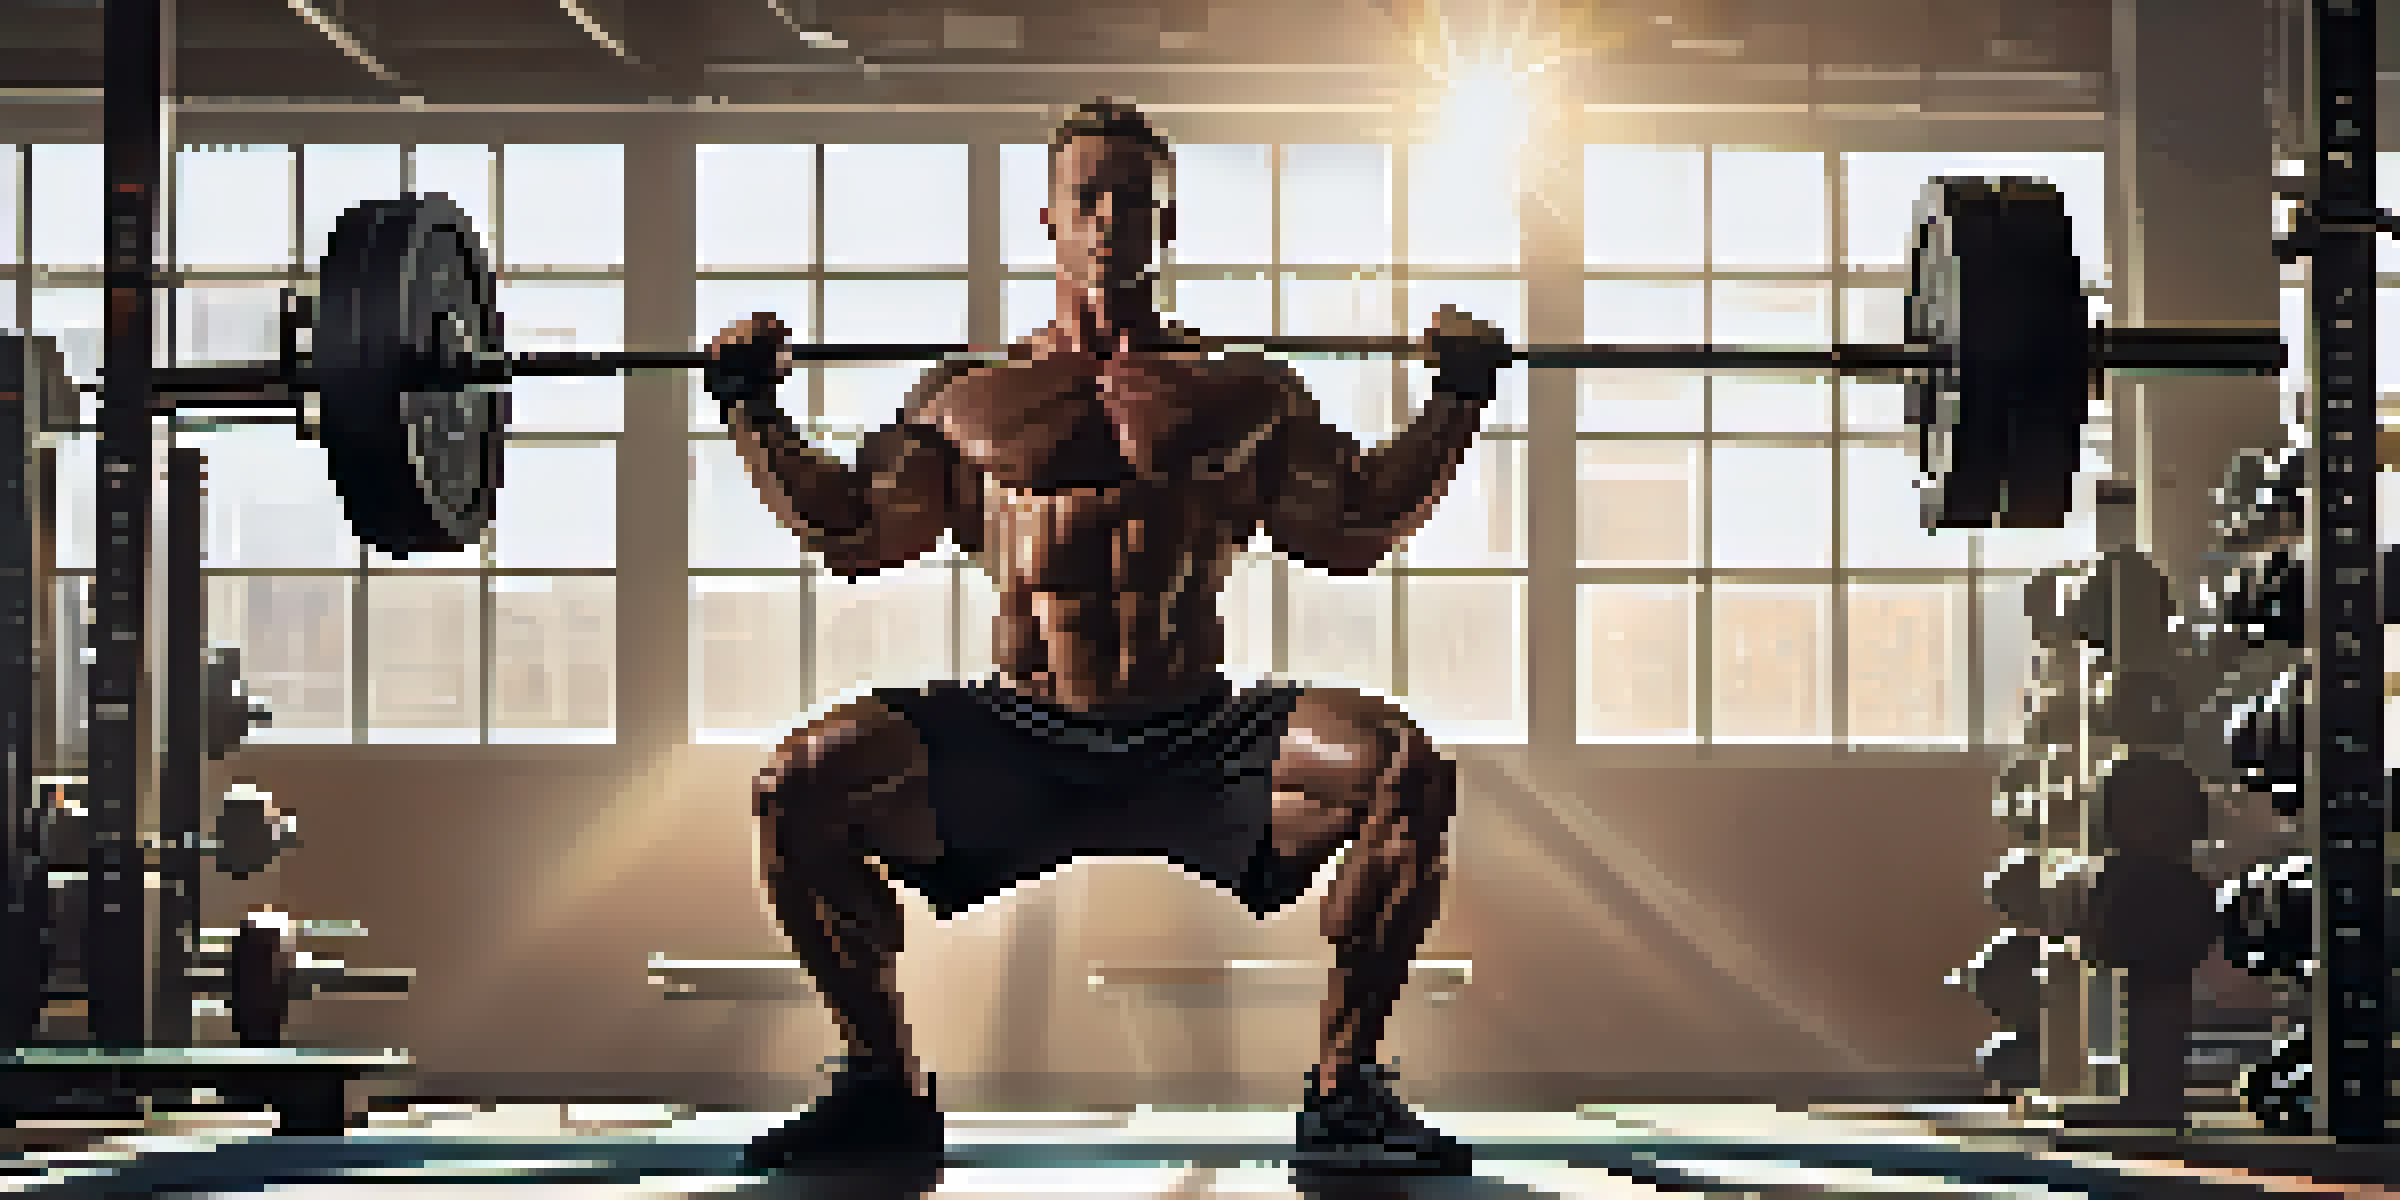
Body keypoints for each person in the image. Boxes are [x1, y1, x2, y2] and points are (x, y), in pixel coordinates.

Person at [707, 97, 1509, 1178]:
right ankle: (879, 1086)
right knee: (796, 784)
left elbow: (1355, 526)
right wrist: (753, 412)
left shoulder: (1242, 396)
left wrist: (1457, 398)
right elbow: (853, 531)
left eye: (1138, 200)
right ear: (1049, 218)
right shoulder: (968, 401)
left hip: (1198, 735)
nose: (1113, 218)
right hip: (1019, 732)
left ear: (1167, 227)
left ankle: (1345, 1091)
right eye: (1092, 196)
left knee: (1401, 768)